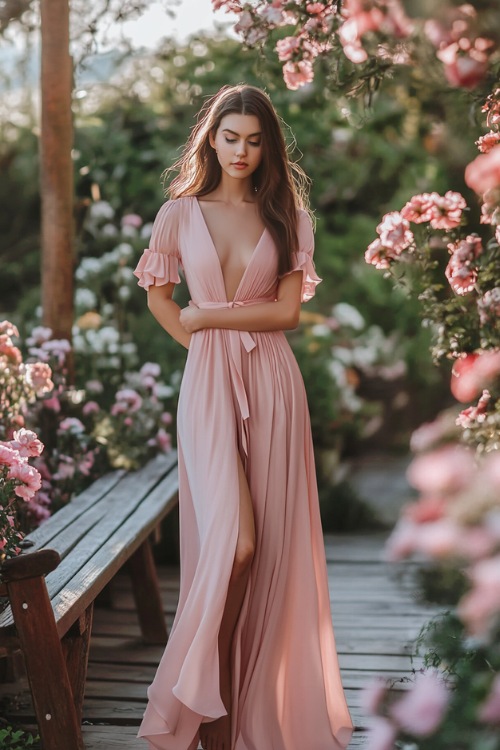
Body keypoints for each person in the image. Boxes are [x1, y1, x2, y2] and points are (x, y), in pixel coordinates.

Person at [133, 84, 353, 750]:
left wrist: (210, 320)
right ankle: (193, 699)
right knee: (236, 542)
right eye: (231, 137)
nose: (242, 151)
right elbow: (160, 299)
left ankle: (224, 724)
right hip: (208, 385)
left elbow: (287, 314)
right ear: (211, 137)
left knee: (267, 553)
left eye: (255, 141)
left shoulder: (287, 216)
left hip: (273, 383)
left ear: (269, 147)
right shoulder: (178, 213)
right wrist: (205, 347)